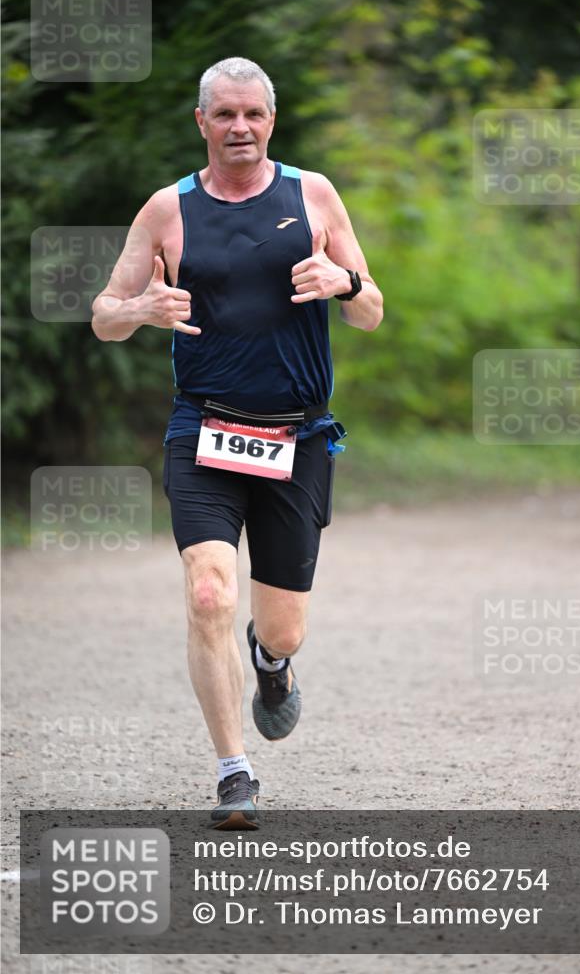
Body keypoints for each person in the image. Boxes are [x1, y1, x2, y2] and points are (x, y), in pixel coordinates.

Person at [91, 57, 383, 829]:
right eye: (224, 114)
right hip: (204, 428)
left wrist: (344, 286)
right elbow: (103, 313)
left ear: (270, 120)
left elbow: (372, 310)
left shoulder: (312, 195)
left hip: (296, 436)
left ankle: (272, 662)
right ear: (202, 122)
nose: (239, 128)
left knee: (282, 625)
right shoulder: (168, 208)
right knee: (209, 590)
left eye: (252, 114)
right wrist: (141, 307)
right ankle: (233, 772)